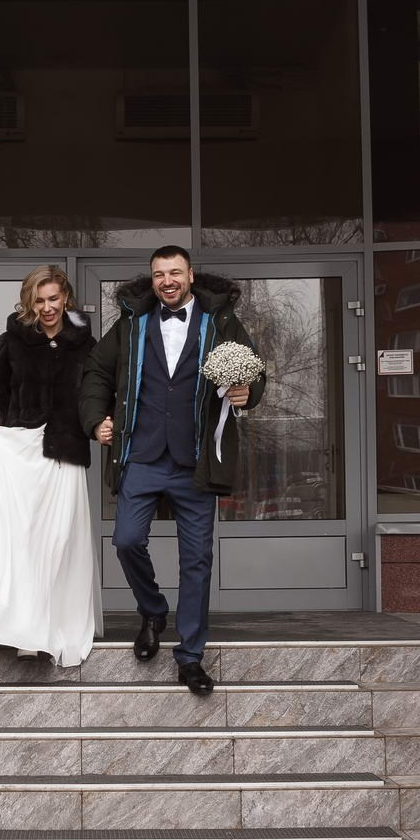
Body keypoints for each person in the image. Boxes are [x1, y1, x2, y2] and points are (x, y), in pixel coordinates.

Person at [79, 246, 262, 697]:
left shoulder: (221, 322)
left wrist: (247, 393)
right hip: (141, 455)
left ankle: (191, 657)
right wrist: (95, 419)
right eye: (159, 274)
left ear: (191, 275)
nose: (167, 280)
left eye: (175, 272)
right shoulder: (132, 322)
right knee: (125, 540)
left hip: (196, 460)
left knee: (197, 561)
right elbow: (96, 373)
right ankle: (153, 609)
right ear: (152, 279)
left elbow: (253, 373)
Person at [0, 264, 99, 666]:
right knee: (22, 541)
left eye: (53, 299)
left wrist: (101, 422)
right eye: (39, 300)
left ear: (66, 298)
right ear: (28, 301)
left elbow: (95, 396)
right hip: (19, 452)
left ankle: (46, 623)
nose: (47, 307)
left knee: (58, 541)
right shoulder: (11, 341)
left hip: (64, 451)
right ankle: (18, 624)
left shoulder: (86, 344)